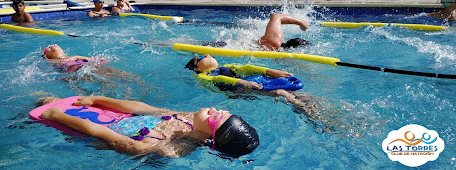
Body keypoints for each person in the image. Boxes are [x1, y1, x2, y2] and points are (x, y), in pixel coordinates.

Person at [39, 96, 259, 158]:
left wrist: (60, 116)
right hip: (109, 117)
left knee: (44, 104)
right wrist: (96, 100)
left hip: (87, 133)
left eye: (215, 117)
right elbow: (142, 108)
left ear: (208, 138)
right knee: (48, 98)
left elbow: (103, 134)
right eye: (222, 111)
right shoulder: (185, 119)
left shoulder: (165, 148)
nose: (212, 109)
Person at [185, 54, 319, 117]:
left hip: (247, 84)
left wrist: (273, 72)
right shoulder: (202, 76)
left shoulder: (226, 67)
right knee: (280, 93)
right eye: (201, 58)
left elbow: (246, 67)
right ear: (197, 68)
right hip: (238, 90)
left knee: (290, 91)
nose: (206, 54)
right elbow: (220, 79)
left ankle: (307, 102)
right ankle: (308, 113)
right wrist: (243, 82)